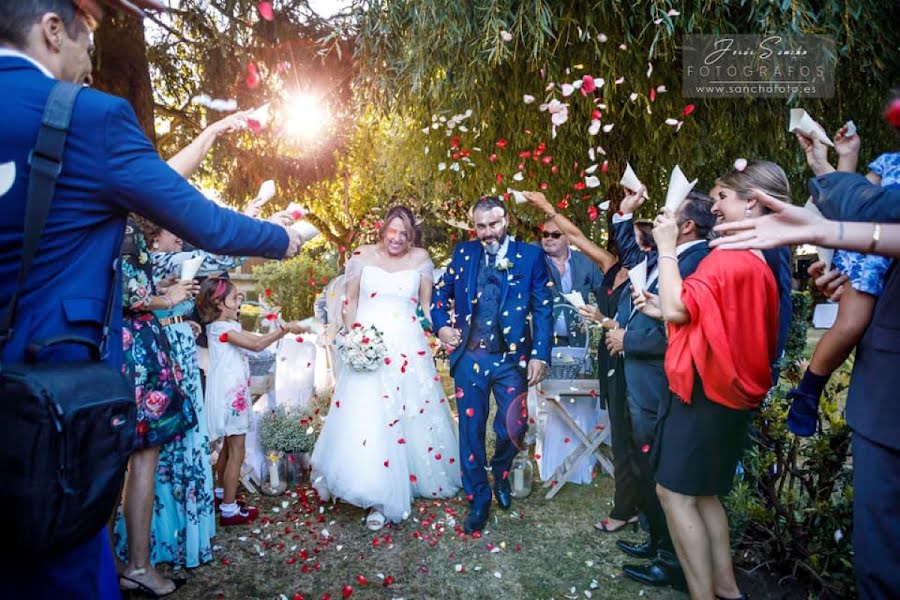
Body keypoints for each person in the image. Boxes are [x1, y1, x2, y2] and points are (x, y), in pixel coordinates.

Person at [0, 1, 303, 596]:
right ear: (52, 30)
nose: (90, 63)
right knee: (57, 554)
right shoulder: (89, 119)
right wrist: (282, 237)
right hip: (48, 385)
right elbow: (203, 221)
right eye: (88, 43)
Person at [636, 160, 783, 600]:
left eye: (721, 198)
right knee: (705, 495)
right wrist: (659, 310)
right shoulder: (758, 257)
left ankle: (704, 596)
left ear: (752, 204)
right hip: (727, 393)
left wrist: (665, 246)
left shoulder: (730, 258)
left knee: (674, 493)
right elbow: (712, 319)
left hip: (706, 390)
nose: (713, 207)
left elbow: (683, 307)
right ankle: (726, 588)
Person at [311, 206, 461, 530]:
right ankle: (371, 490)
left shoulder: (421, 259)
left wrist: (440, 329)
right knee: (369, 415)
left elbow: (425, 304)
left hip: (408, 345)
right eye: (392, 232)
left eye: (404, 233)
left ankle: (398, 486)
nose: (397, 238)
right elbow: (348, 301)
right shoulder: (362, 255)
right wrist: (353, 338)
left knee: (408, 412)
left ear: (411, 236)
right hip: (368, 344)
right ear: (383, 231)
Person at [609, 186, 714, 591]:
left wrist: (628, 341)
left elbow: (683, 325)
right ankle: (657, 542)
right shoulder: (662, 257)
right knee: (646, 463)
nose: (658, 221)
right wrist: (624, 212)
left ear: (686, 225)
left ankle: (672, 559)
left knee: (663, 470)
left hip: (660, 379)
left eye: (667, 215)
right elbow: (630, 254)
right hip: (641, 380)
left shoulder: (697, 262)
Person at [523, 192, 643, 535]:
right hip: (607, 352)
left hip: (633, 354)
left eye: (634, 236)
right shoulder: (609, 264)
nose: (627, 239)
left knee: (636, 435)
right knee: (621, 431)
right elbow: (574, 236)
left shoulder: (647, 275)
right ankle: (628, 505)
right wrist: (548, 207)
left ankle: (634, 504)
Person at [432, 196, 552, 533]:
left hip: (510, 360)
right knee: (470, 431)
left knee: (512, 427)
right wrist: (441, 325)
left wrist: (540, 353)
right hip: (470, 357)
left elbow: (543, 306)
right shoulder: (464, 254)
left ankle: (500, 474)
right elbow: (441, 294)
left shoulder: (530, 256)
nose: (488, 232)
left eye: (494, 224)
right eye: (481, 226)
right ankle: (479, 496)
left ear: (506, 220)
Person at [783, 122, 899, 436]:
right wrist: (847, 157)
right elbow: (850, 200)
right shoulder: (890, 162)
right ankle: (809, 390)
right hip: (869, 254)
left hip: (878, 246)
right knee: (850, 324)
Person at [197, 277, 306, 525]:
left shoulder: (220, 327)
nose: (239, 303)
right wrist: (284, 330)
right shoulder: (224, 330)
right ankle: (229, 509)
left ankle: (222, 494)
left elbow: (255, 337)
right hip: (231, 397)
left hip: (225, 394)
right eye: (235, 299)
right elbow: (256, 345)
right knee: (237, 451)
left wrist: (275, 324)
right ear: (218, 303)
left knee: (226, 449)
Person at [536, 218, 607, 484]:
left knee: (582, 398)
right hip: (548, 341)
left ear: (568, 238)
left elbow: (601, 293)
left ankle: (583, 460)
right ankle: (554, 463)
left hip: (581, 341)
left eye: (555, 234)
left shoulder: (585, 262)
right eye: (544, 234)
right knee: (552, 401)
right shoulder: (536, 261)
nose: (549, 239)